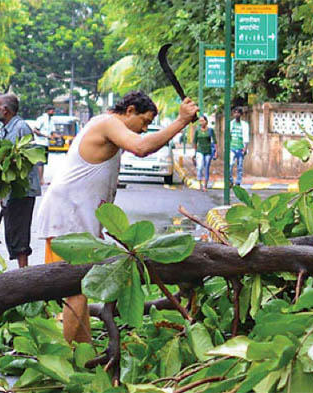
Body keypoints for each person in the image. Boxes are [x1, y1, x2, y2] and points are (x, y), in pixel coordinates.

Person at [36, 91, 198, 344]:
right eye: (144, 122)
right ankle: (71, 359)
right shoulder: (108, 123)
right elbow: (141, 148)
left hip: (77, 217)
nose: (144, 129)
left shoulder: (108, 127)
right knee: (74, 290)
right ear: (130, 110)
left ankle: (84, 350)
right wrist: (181, 121)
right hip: (67, 216)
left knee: (81, 289)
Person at [0, 93, 41, 269]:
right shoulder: (6, 129)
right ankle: (21, 272)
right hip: (11, 189)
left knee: (20, 232)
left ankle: (24, 272)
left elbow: (30, 157)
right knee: (12, 231)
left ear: (6, 110)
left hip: (23, 189)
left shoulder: (21, 127)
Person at [192, 115, 216, 192]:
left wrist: (216, 151)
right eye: (200, 121)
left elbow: (215, 141)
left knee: (207, 168)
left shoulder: (210, 130)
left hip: (208, 151)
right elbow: (195, 142)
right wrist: (195, 153)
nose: (201, 122)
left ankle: (205, 185)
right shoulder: (197, 131)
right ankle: (199, 184)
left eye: (203, 121)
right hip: (199, 151)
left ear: (206, 121)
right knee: (200, 167)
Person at [228, 108, 250, 186]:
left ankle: (238, 182)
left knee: (239, 167)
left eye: (238, 113)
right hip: (232, 147)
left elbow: (246, 137)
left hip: (240, 148)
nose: (236, 114)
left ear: (241, 114)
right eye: (235, 113)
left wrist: (245, 148)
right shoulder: (230, 124)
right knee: (230, 165)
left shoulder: (244, 125)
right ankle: (230, 180)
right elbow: (228, 136)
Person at [34, 105, 55, 184]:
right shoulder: (41, 119)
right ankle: (40, 180)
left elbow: (52, 132)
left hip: (46, 143)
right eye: (52, 111)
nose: (53, 112)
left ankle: (41, 179)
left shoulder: (51, 120)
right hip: (40, 143)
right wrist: (45, 136)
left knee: (43, 162)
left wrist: (57, 137)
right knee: (40, 162)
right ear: (48, 111)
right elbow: (35, 130)